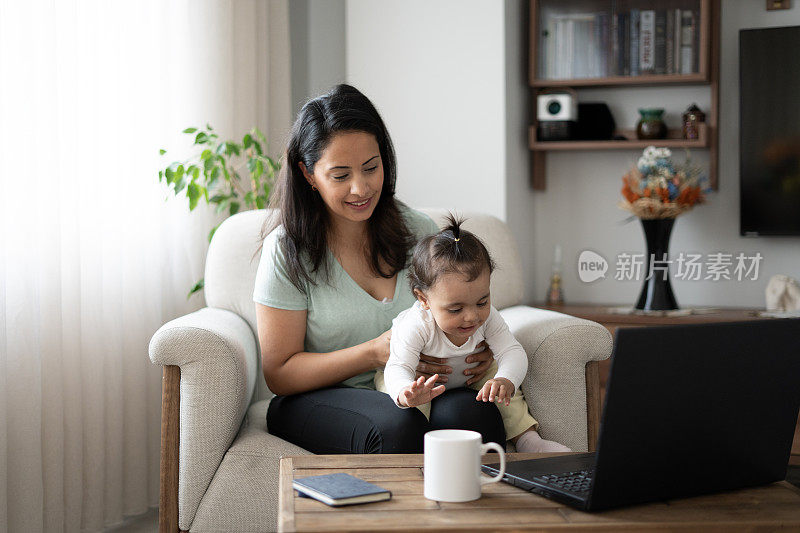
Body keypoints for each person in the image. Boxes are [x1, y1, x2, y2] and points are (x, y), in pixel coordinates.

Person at [253, 84, 503, 454]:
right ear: (308, 175)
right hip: (317, 398)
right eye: (340, 175)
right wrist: (374, 352)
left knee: (474, 415)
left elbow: (460, 308)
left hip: (414, 387)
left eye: (372, 167)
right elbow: (280, 373)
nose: (361, 187)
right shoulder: (287, 251)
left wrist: (477, 346)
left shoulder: (419, 232)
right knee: (396, 425)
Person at [376, 215, 571, 453]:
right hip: (419, 379)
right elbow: (398, 367)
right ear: (424, 299)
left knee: (501, 388)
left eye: (482, 301)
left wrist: (505, 379)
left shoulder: (488, 317)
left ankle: (528, 440)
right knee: (410, 410)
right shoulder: (415, 325)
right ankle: (420, 450)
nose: (472, 317)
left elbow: (512, 351)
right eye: (456, 309)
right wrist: (406, 392)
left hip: (470, 376)